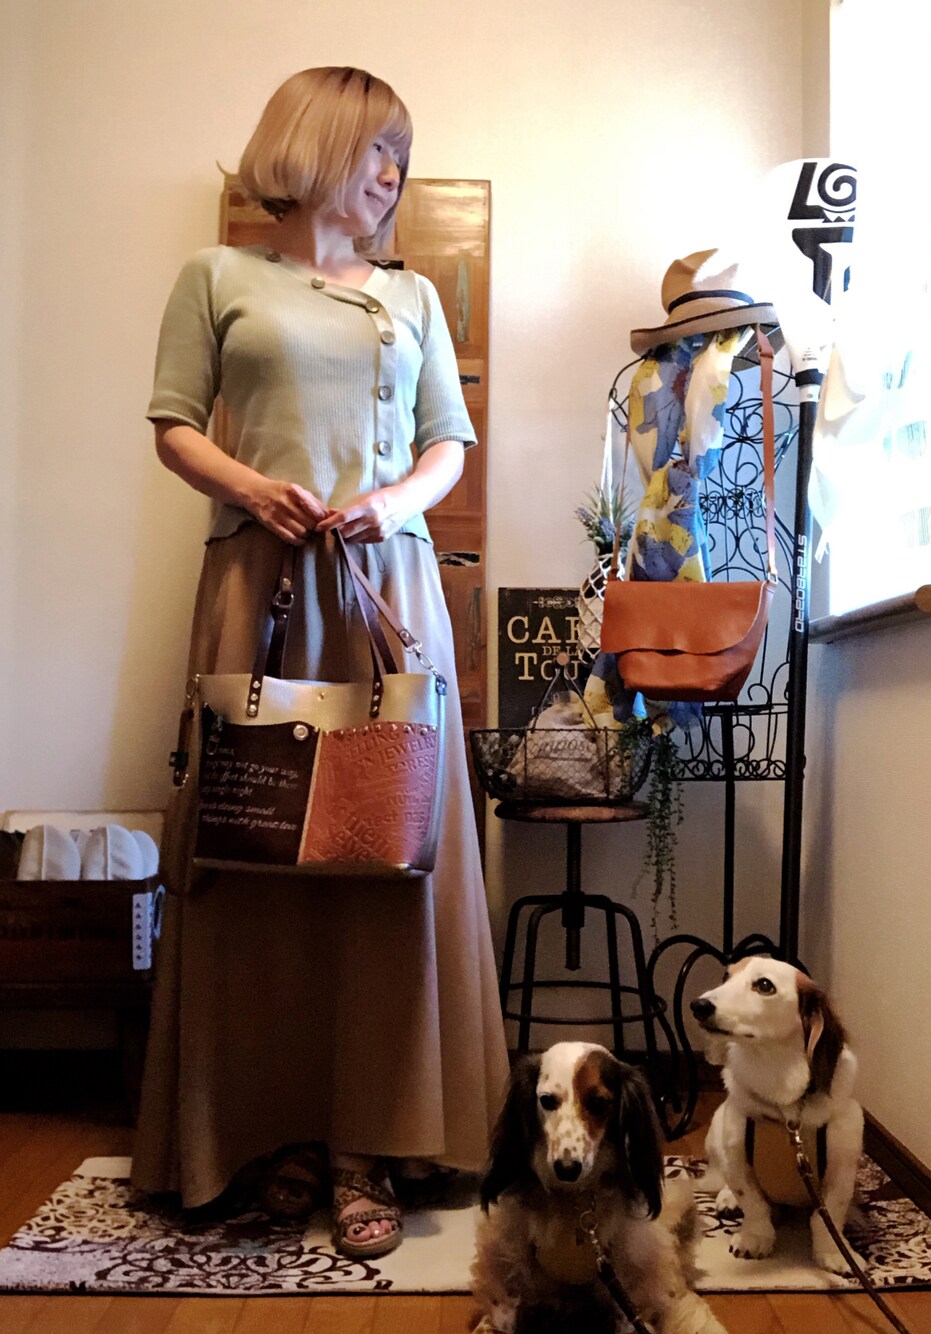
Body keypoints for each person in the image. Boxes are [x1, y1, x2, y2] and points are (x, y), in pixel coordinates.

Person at [131, 66, 509, 1261]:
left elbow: (449, 444)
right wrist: (256, 489)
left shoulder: (412, 297)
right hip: (260, 582)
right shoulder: (217, 276)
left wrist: (390, 501)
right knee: (254, 847)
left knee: (386, 853)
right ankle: (268, 1129)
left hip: (383, 587)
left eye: (403, 151)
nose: (394, 170)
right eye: (377, 147)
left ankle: (369, 1140)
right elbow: (174, 424)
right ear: (316, 146)